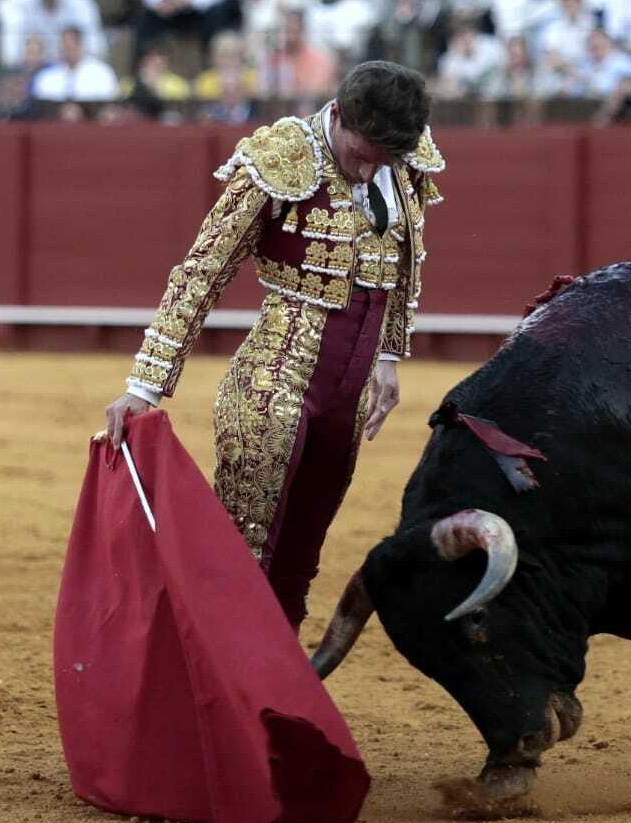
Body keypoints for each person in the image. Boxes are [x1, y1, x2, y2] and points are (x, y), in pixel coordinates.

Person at [102, 61, 443, 631]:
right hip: (274, 382)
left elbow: (406, 258)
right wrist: (144, 386)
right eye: (360, 155)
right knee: (244, 552)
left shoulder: (400, 158)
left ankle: (274, 689)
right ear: (338, 115)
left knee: (300, 560)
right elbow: (202, 272)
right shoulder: (281, 158)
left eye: (382, 161)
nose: (367, 171)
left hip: (350, 390)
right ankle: (213, 683)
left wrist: (388, 356)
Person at [30, 24, 118, 102]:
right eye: (64, 46)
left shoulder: (102, 73)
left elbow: (110, 102)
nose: (66, 50)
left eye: (70, 46)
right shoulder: (47, 76)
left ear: (80, 45)